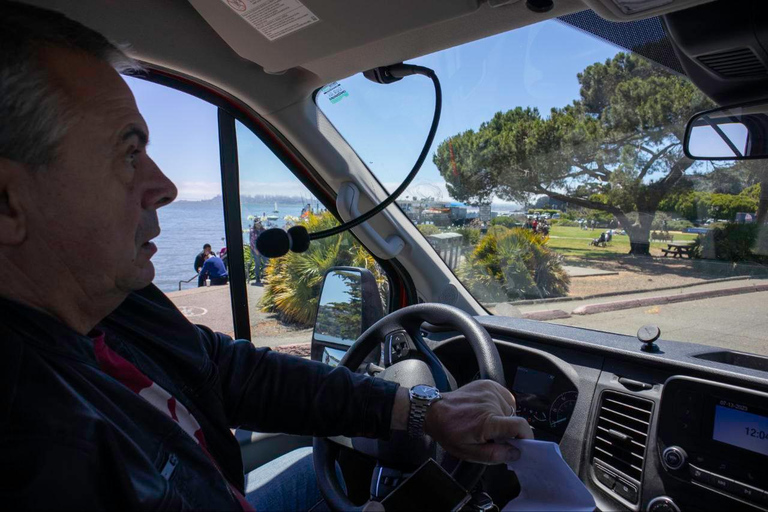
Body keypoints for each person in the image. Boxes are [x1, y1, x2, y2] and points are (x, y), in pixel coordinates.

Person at [0, 3, 532, 510]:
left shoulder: (115, 306)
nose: (164, 185)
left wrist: (424, 410)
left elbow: (227, 372)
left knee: (311, 469)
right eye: (129, 152)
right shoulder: (44, 447)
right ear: (8, 204)